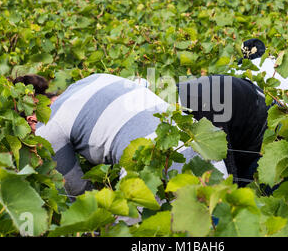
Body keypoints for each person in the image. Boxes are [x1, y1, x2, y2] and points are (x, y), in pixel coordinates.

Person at [14, 73, 229, 196]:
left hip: (151, 169)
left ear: (30, 119)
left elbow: (78, 194)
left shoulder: (48, 127)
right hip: (200, 147)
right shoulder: (93, 79)